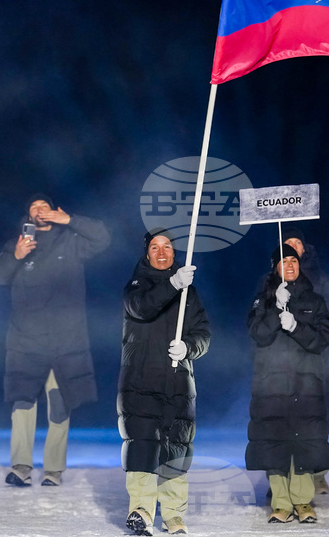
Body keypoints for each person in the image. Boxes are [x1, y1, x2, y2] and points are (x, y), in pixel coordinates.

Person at [0, 193, 110, 487]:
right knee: (23, 405)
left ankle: (53, 471)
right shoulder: (19, 245)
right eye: (34, 207)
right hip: (26, 341)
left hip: (65, 341)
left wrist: (70, 220)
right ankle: (20, 467)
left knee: (60, 404)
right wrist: (15, 256)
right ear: (28, 216)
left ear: (54, 211)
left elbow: (103, 237)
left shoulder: (71, 242)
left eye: (45, 206)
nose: (40, 211)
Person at [118, 229, 211, 536]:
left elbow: (203, 334)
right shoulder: (136, 285)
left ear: (174, 253)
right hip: (140, 381)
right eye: (155, 247)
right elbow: (141, 308)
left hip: (178, 383)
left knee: (176, 450)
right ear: (147, 254)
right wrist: (173, 284)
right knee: (143, 447)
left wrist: (189, 347)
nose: (162, 252)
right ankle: (141, 511)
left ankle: (173, 515)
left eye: (167, 247)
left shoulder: (190, 293)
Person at [246, 244, 329, 524]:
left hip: (305, 384)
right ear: (275, 268)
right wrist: (274, 310)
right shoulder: (262, 301)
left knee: (305, 444)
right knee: (276, 444)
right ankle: (281, 503)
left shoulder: (315, 301)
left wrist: (296, 326)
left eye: (293, 260)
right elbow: (257, 334)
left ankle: (303, 501)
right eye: (283, 261)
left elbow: (323, 338)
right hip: (272, 386)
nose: (290, 265)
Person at [278, 226, 329, 495]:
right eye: (287, 243)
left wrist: (324, 350)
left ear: (305, 247)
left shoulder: (322, 280)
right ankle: (281, 475)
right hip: (281, 363)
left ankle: (317, 472)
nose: (293, 247)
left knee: (319, 414)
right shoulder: (272, 279)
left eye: (296, 243)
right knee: (279, 415)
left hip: (316, 359)